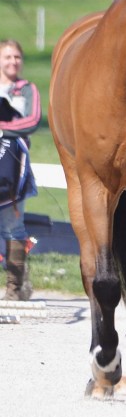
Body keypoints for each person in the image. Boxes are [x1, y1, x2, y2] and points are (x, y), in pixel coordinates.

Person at [0, 39, 41, 301]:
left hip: (14, 171)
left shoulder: (27, 90)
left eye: (17, 57)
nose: (13, 61)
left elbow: (33, 120)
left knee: (13, 227)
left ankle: (15, 288)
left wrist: (3, 129)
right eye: (7, 57)